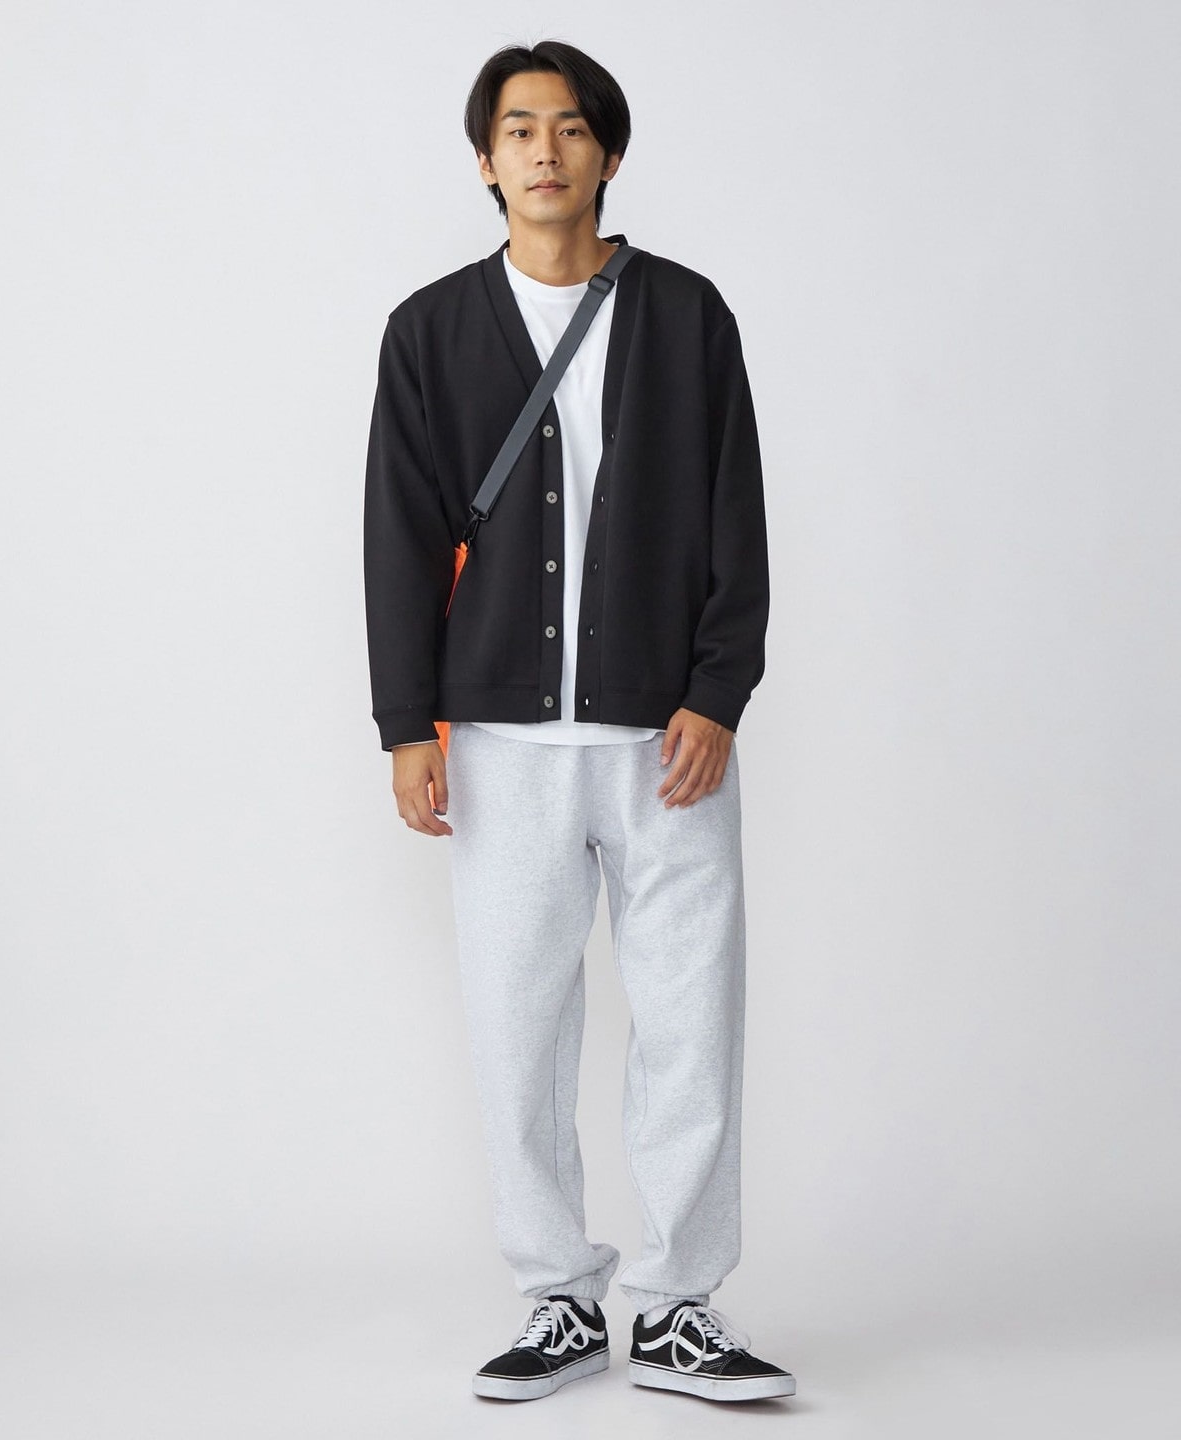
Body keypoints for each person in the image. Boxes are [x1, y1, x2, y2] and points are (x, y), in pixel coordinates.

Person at [363, 39, 794, 1405]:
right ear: (485, 161)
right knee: (518, 1030)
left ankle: (676, 1309)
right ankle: (557, 1295)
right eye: (517, 128)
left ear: (608, 151)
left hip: (669, 743)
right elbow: (398, 534)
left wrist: (717, 691)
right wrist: (408, 723)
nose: (544, 150)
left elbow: (736, 513)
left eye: (569, 127)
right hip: (498, 748)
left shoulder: (687, 315)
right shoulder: (430, 330)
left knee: (690, 1023)